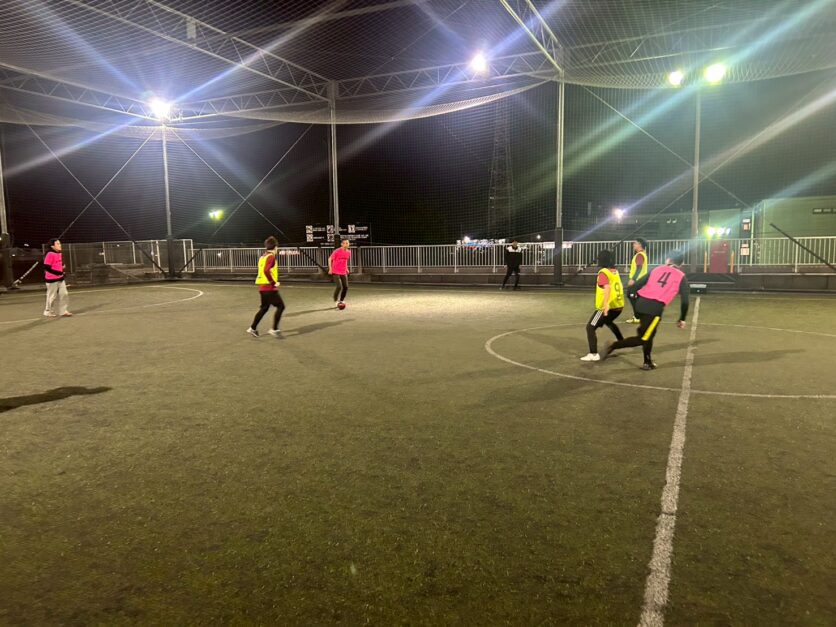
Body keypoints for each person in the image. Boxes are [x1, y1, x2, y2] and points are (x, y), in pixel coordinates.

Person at [602, 251, 690, 370]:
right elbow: (685, 301)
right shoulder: (681, 276)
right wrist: (682, 318)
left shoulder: (656, 269)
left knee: (649, 334)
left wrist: (636, 307)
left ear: (668, 260)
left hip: (641, 303)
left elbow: (634, 287)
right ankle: (613, 345)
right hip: (654, 309)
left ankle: (647, 362)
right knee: (643, 338)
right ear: (681, 263)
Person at [580, 249, 625, 362]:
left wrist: (605, 305)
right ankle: (622, 341)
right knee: (608, 322)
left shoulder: (603, 272)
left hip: (606, 308)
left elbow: (607, 288)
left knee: (590, 327)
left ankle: (593, 354)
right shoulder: (615, 271)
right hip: (618, 306)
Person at [247, 236, 285, 338]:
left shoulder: (262, 257)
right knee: (281, 306)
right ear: (275, 247)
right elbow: (266, 270)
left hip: (262, 287)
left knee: (264, 308)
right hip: (269, 288)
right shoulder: (271, 257)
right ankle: (274, 329)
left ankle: (252, 328)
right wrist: (273, 282)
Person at [43, 238, 72, 318]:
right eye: (58, 244)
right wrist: (58, 273)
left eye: (60, 243)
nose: (60, 245)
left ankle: (63, 311)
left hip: (60, 278)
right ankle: (48, 311)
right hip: (51, 279)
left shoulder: (59, 253)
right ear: (52, 246)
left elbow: (57, 264)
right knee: (52, 296)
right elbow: (47, 267)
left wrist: (62, 267)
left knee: (64, 294)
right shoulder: (50, 254)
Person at [625, 238, 648, 323]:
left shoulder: (639, 255)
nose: (633, 245)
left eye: (635, 243)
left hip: (637, 281)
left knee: (632, 296)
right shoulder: (642, 254)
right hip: (640, 280)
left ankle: (638, 317)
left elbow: (639, 267)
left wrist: (633, 279)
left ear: (640, 244)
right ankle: (639, 315)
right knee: (634, 297)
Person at [329, 238, 351, 308]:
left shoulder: (348, 252)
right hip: (335, 271)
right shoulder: (337, 251)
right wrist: (330, 269)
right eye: (344, 243)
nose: (346, 244)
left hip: (343, 271)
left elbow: (345, 261)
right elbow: (330, 259)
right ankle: (336, 301)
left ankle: (341, 300)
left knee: (346, 287)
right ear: (341, 244)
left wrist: (346, 268)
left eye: (347, 243)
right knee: (339, 286)